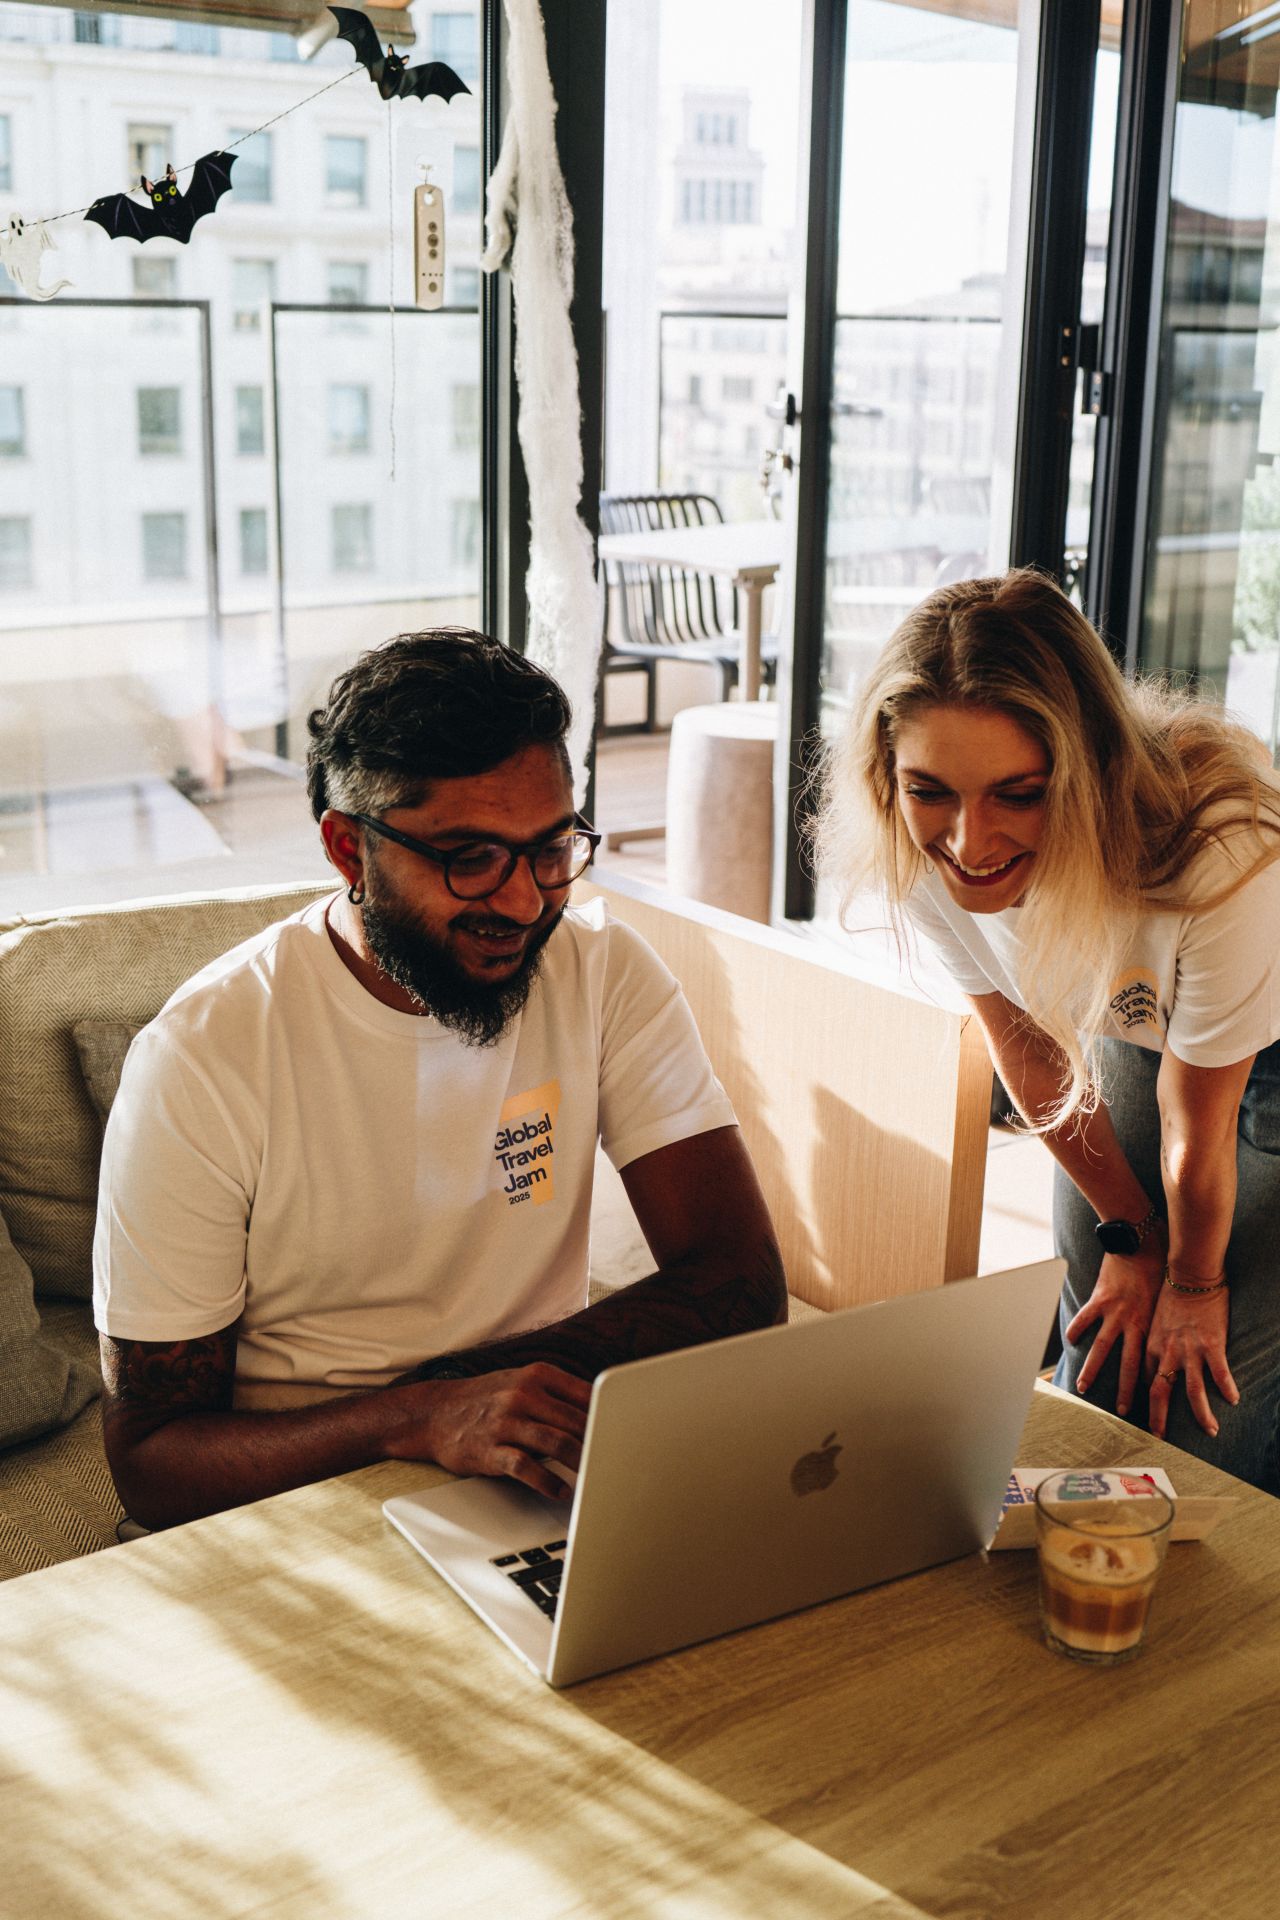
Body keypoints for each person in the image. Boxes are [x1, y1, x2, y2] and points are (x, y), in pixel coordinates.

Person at [94, 630, 785, 1529]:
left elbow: (740, 1279)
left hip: (528, 1465)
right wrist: (414, 1419)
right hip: (297, 1503)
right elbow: (151, 1464)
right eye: (469, 857)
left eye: (549, 848)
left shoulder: (604, 971)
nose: (524, 901)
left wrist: (478, 1399)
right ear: (349, 851)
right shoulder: (205, 1057)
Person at [816, 568, 1280, 1497]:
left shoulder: (1219, 840)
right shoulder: (922, 840)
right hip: (1129, 1027)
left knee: (1192, 1426)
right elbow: (1024, 1045)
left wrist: (1192, 1283)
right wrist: (1128, 1236)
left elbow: (1198, 1124)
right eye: (930, 789)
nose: (971, 842)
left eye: (1019, 795)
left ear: (1088, 769)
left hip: (1257, 1061)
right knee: (1099, 1370)